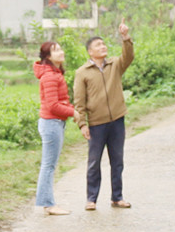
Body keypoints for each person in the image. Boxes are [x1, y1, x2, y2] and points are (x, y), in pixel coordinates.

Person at [72, 21, 134, 210]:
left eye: (104, 44)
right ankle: (91, 198)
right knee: (94, 162)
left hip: (117, 119)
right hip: (96, 123)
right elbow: (79, 101)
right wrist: (82, 124)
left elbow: (129, 57)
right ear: (90, 52)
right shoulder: (82, 73)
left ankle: (117, 197)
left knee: (117, 161)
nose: (103, 47)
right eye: (98, 45)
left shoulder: (115, 64)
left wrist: (125, 38)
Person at [33, 41, 76, 215]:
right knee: (48, 165)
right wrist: (75, 113)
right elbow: (53, 105)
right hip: (51, 123)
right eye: (56, 50)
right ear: (48, 57)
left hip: (54, 123)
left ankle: (48, 203)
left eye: (60, 49)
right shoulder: (50, 76)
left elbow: (61, 101)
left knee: (49, 165)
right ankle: (49, 204)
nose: (61, 52)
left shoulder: (55, 73)